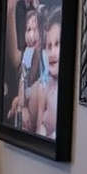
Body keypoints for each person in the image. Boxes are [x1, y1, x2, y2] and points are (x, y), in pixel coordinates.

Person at [25, 9, 61, 139]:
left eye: (57, 44)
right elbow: (39, 129)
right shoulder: (43, 87)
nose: (52, 53)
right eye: (49, 46)